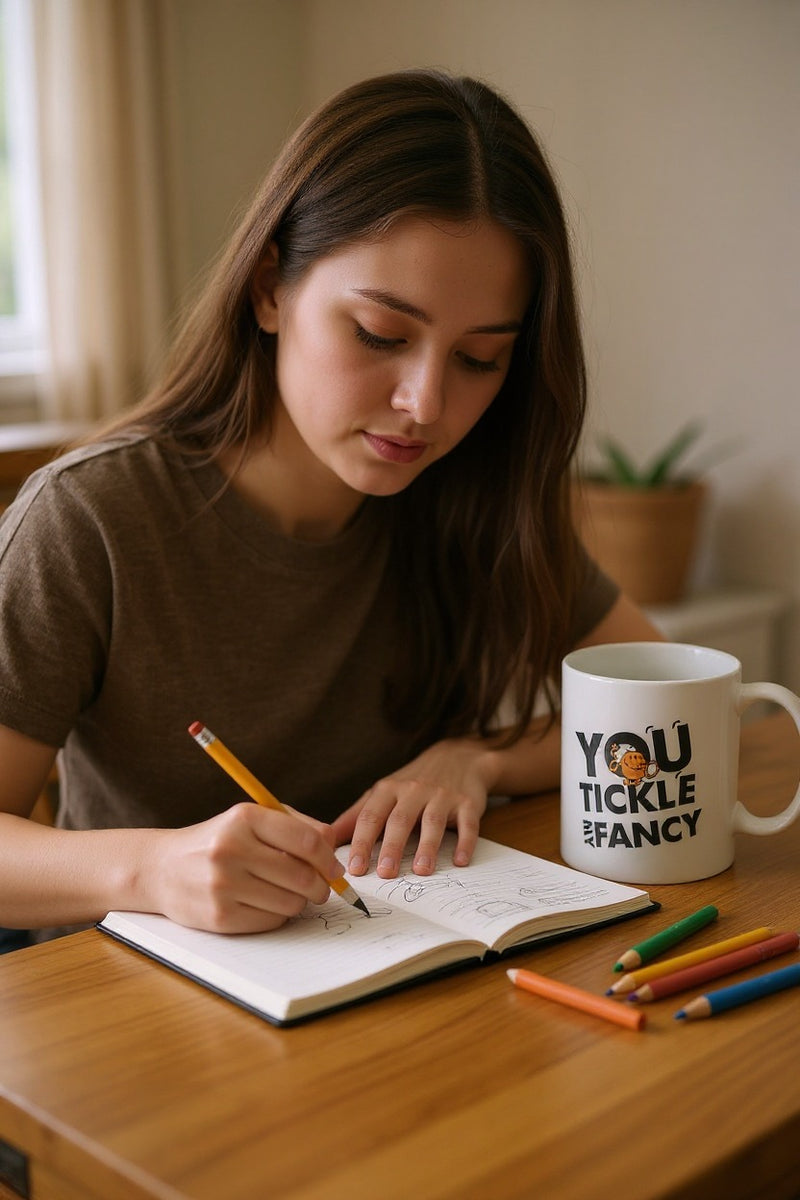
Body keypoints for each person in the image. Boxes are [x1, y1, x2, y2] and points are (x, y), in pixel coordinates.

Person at [0, 68, 661, 950]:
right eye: (382, 336)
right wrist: (154, 869)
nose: (426, 404)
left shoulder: (469, 496)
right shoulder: (91, 522)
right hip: (132, 1019)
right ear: (271, 287)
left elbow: (673, 698)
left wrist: (478, 756)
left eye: (479, 359)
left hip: (390, 989)